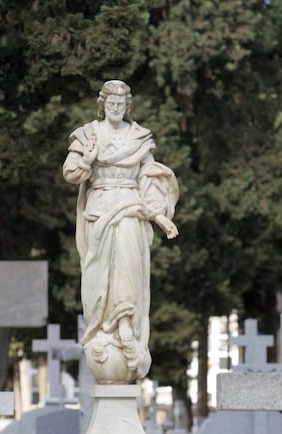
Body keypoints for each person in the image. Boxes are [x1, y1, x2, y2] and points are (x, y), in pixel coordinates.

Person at [63, 80, 179, 383]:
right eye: (110, 104)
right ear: (103, 105)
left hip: (129, 209)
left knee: (128, 270)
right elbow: (71, 173)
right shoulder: (88, 135)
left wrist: (159, 215)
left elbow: (151, 177)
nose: (115, 109)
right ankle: (103, 326)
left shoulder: (138, 137)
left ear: (127, 106)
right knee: (99, 275)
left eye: (121, 104)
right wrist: (87, 160)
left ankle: (125, 325)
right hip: (99, 212)